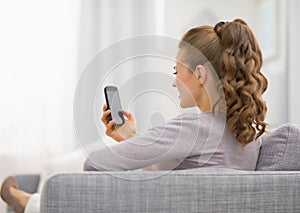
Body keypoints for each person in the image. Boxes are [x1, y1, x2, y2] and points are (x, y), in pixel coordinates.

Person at [1, 18, 268, 213]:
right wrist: (131, 138)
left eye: (176, 71)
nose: (174, 82)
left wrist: (129, 147)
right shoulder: (248, 137)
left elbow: (95, 163)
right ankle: (26, 200)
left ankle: (25, 202)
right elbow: (181, 182)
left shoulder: (194, 128)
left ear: (199, 74)